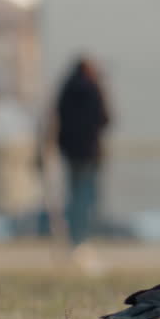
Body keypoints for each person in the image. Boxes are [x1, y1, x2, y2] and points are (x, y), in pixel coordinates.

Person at [54, 56, 111, 250]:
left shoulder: (65, 89)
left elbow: (58, 118)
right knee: (87, 197)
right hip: (90, 151)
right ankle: (83, 238)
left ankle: (72, 239)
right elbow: (105, 118)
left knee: (73, 196)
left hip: (70, 152)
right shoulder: (94, 89)